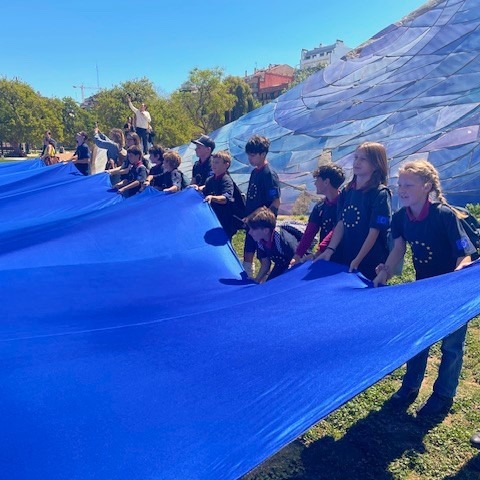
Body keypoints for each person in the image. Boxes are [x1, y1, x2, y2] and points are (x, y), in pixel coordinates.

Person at [373, 159, 475, 418]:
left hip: (452, 291)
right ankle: (410, 387)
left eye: (408, 184)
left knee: (451, 346)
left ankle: (443, 394)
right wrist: (384, 271)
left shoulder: (444, 215)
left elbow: (464, 254)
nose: (402, 189)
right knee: (419, 339)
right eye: (400, 184)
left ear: (426, 186)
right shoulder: (400, 218)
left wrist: (456, 277)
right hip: (424, 289)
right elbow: (398, 249)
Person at [315, 141, 391, 280]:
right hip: (347, 256)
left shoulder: (380, 194)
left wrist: (358, 259)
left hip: (370, 261)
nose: (357, 162)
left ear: (376, 164)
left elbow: (374, 232)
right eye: (356, 157)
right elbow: (341, 223)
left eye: (363, 159)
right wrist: (330, 250)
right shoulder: (347, 191)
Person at [290, 163, 346, 267]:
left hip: (343, 258)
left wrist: (318, 253)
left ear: (326, 182)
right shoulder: (320, 206)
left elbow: (336, 230)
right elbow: (309, 233)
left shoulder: (345, 204)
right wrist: (297, 256)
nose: (315, 184)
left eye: (317, 180)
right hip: (324, 257)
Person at [242, 135, 281, 278]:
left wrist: (263, 223)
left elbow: (276, 202)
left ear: (263, 154)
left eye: (253, 155)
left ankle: (262, 281)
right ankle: (248, 279)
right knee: (248, 252)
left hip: (261, 227)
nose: (250, 159)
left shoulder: (268, 174)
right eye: (248, 155)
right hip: (252, 224)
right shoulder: (254, 172)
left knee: (264, 258)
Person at [191, 150, 237, 239]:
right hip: (213, 219)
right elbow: (204, 192)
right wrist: (197, 189)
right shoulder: (210, 180)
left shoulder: (226, 180)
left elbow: (225, 198)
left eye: (217, 162)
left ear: (226, 165)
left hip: (224, 221)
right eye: (213, 162)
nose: (213, 165)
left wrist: (213, 198)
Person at [246, 207, 298, 283]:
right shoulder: (260, 240)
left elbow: (299, 259)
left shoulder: (283, 239)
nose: (249, 232)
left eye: (253, 229)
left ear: (266, 230)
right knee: (269, 286)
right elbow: (265, 263)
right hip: (281, 264)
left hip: (295, 265)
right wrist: (257, 280)